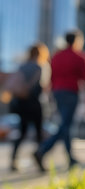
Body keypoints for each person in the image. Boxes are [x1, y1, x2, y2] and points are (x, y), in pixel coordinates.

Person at [34, 30, 85, 170]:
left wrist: (50, 95)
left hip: (57, 93)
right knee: (66, 125)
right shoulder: (80, 57)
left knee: (66, 125)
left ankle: (70, 158)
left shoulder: (56, 56)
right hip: (71, 93)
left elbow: (51, 77)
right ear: (77, 41)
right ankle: (42, 150)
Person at [10, 43, 50, 172]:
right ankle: (40, 160)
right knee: (39, 133)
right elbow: (44, 86)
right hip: (35, 103)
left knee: (22, 132)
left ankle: (13, 160)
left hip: (22, 103)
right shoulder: (41, 66)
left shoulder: (22, 66)